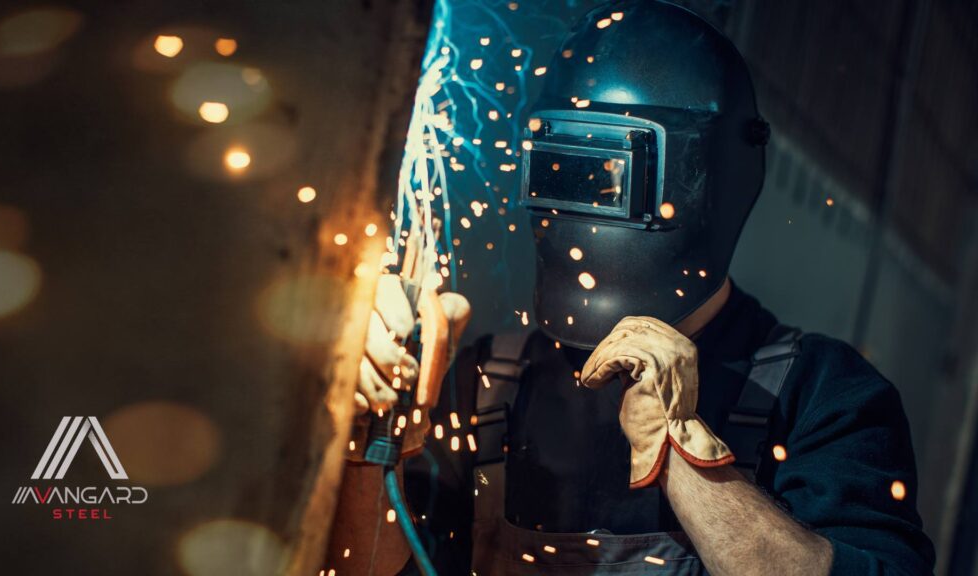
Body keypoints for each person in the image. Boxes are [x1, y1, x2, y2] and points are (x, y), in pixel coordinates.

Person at [326, 1, 936, 574]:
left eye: (603, 176)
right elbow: (373, 564)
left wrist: (680, 455)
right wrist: (372, 448)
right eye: (561, 170)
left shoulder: (823, 392)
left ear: (706, 180)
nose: (580, 207)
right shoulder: (488, 380)